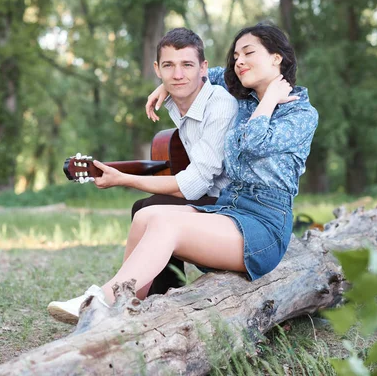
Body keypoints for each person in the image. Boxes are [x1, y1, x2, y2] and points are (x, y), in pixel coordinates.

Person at [47, 23, 318, 326]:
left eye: (248, 53)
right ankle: (127, 311)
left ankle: (99, 303)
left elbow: (253, 143)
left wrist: (269, 101)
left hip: (264, 226)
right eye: (236, 55)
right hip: (229, 208)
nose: (238, 60)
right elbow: (205, 73)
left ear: (276, 58)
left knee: (167, 226)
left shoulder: (301, 114)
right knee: (146, 216)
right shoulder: (243, 94)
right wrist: (168, 83)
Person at [91, 27, 238, 295]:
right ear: (157, 69)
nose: (178, 74)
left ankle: (129, 295)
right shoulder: (178, 98)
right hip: (206, 191)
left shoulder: (220, 105)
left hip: (230, 204)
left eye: (187, 65)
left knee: (152, 208)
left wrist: (123, 179)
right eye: (169, 66)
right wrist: (167, 87)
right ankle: (159, 293)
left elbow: (193, 185)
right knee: (145, 207)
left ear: (203, 68)